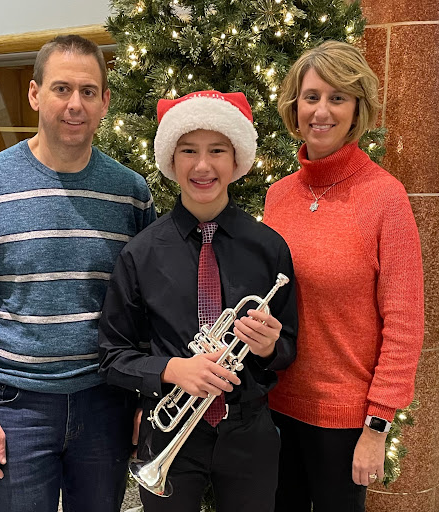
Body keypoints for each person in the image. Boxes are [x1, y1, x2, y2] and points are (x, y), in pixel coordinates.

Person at [0, 35, 156, 512]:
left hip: (106, 401)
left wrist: (145, 397)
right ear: (35, 93)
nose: (74, 104)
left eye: (88, 91)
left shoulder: (130, 192)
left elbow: (146, 306)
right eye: (62, 88)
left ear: (105, 101)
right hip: (16, 406)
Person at [98, 90, 298, 512]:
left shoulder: (269, 248)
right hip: (168, 429)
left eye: (217, 150)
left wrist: (269, 347)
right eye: (189, 150)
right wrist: (175, 369)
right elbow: (113, 357)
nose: (203, 166)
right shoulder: (140, 253)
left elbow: (288, 349)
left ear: (237, 159)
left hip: (248, 430)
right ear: (171, 160)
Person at [263, 40, 424, 512]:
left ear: (357, 109)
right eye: (311, 97)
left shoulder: (385, 198)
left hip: (346, 421)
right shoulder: (278, 196)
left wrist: (377, 426)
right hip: (274, 406)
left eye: (337, 98)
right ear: (295, 106)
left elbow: (404, 324)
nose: (321, 111)